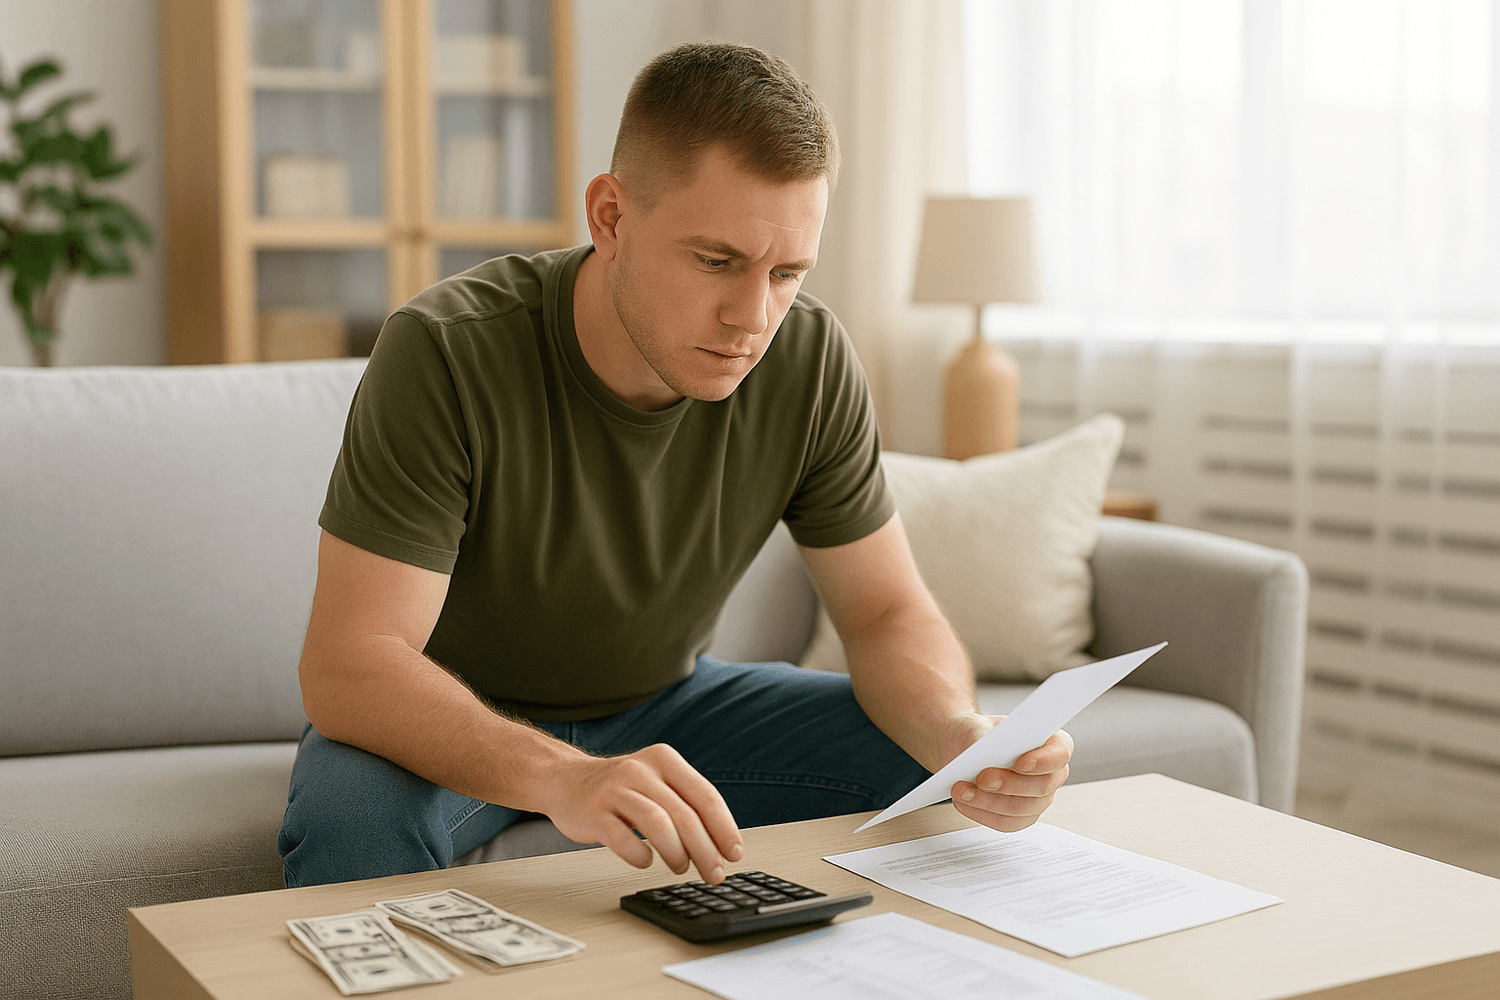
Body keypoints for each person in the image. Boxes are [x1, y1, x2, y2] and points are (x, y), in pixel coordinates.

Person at [278, 40, 1074, 890]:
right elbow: (352, 663)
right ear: (611, 217)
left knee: (928, 776)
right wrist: (563, 776)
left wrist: (957, 736)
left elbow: (881, 611)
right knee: (349, 834)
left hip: (673, 705)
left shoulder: (808, 361)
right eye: (717, 261)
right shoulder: (446, 351)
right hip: (455, 714)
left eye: (787, 273)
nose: (752, 316)